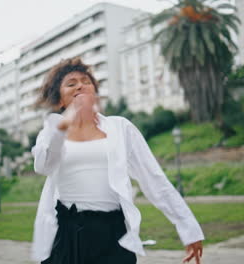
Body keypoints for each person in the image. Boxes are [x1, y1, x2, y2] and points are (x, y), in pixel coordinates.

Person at [30, 57, 204, 264]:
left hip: (113, 234)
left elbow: (154, 178)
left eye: (86, 81)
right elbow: (43, 166)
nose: (80, 86)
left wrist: (188, 228)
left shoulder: (120, 127)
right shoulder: (52, 131)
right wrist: (64, 124)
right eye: (71, 83)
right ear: (59, 100)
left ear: (94, 93)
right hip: (66, 234)